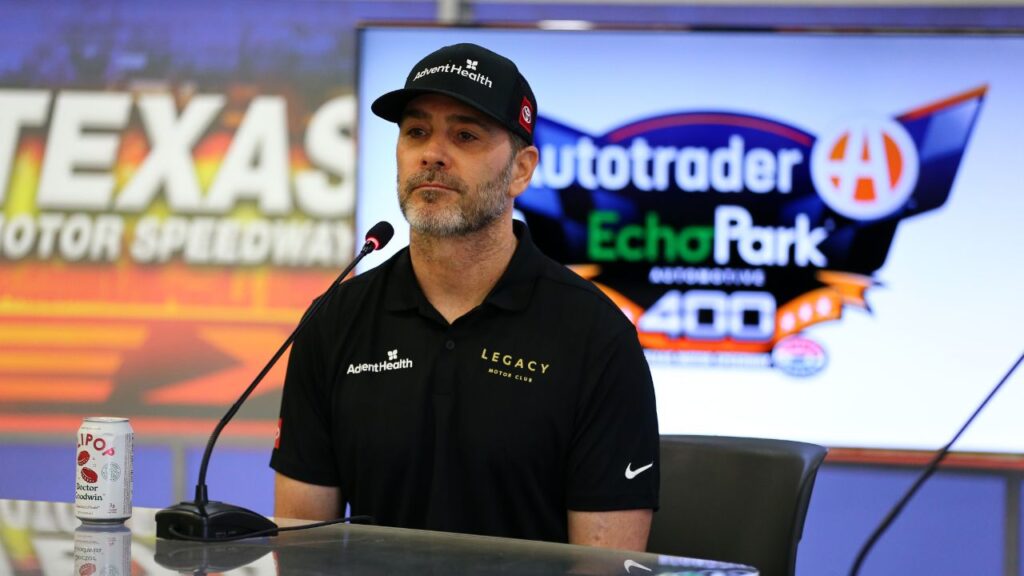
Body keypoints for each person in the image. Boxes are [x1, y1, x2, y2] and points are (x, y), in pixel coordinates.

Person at [270, 43, 659, 551]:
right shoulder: (335, 319)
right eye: (416, 132)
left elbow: (607, 565)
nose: (432, 152)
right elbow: (300, 547)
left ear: (521, 170)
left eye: (465, 135)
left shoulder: (596, 336)